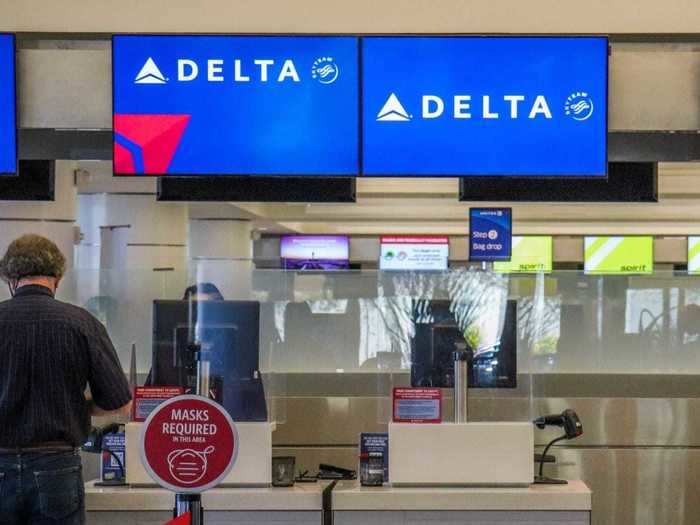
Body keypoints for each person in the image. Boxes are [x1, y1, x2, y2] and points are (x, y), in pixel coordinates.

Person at [0, 234, 132, 524]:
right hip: (57, 466)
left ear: (10, 277)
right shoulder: (82, 323)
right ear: (57, 277)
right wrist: (76, 402)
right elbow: (119, 404)